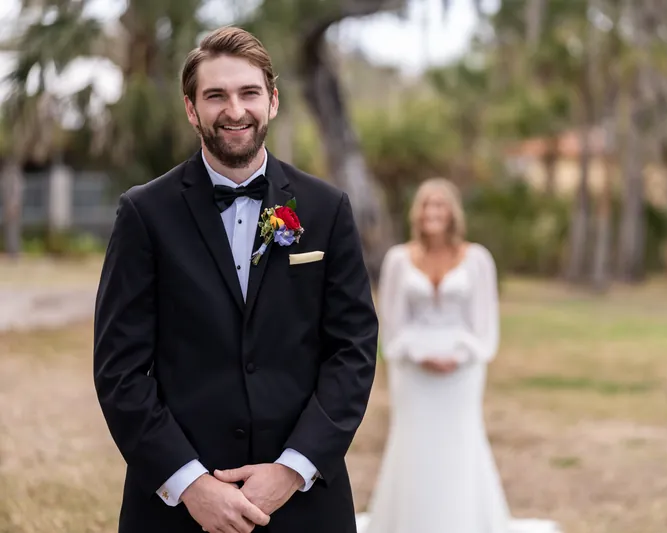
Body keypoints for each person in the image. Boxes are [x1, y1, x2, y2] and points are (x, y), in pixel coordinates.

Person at [93, 26, 378, 533]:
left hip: (304, 506)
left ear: (271, 101)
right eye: (215, 95)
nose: (234, 110)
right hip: (176, 510)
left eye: (248, 93)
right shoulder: (143, 213)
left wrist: (292, 470)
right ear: (190, 108)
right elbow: (120, 369)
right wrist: (190, 484)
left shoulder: (327, 209)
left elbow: (352, 350)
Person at [358, 178, 559, 533]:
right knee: (413, 441)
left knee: (460, 439)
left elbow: (485, 325)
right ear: (416, 213)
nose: (432, 212)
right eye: (426, 205)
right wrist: (418, 355)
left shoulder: (477, 259)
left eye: (440, 205)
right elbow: (390, 325)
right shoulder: (398, 260)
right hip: (412, 371)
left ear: (452, 213)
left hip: (461, 372)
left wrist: (462, 356)